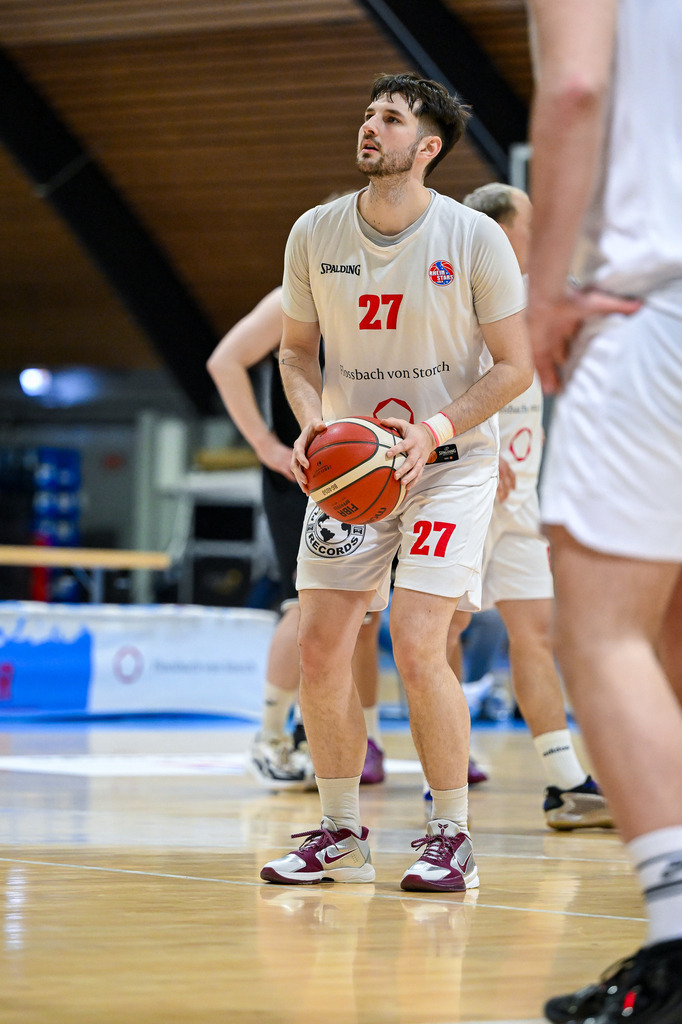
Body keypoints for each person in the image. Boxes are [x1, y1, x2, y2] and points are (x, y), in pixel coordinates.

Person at [260, 71, 533, 891]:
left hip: (448, 462)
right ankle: (340, 831)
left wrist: (437, 428)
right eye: (368, 115)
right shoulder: (314, 232)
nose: (370, 127)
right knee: (319, 646)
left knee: (418, 642)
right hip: (352, 470)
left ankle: (451, 834)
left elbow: (515, 367)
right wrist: (310, 419)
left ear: (429, 147)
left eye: (390, 117)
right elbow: (294, 354)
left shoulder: (473, 238)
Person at [525, 0, 682, 1020]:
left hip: (656, 305)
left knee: (600, 631)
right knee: (667, 633)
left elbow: (574, 88)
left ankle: (679, 947)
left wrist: (545, 292)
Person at [442, 183, 612, 830]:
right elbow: (434, 382)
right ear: (496, 231)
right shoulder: (457, 295)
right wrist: (477, 445)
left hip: (522, 497)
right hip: (470, 484)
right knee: (445, 630)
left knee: (535, 633)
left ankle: (566, 783)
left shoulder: (532, 296)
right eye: (529, 226)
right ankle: (445, 771)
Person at [207, 288, 385, 789]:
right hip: (304, 472)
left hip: (365, 473)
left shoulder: (380, 292)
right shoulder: (294, 297)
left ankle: (346, 737)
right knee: (302, 605)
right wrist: (265, 444)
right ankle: (269, 738)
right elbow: (225, 362)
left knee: (362, 614)